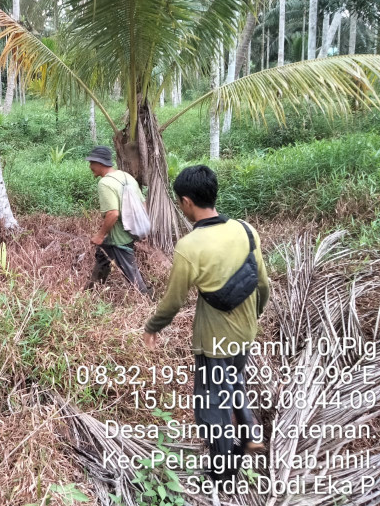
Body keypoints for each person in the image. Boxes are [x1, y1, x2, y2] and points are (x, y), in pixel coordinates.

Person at [143, 165, 270, 480]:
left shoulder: (190, 246)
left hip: (214, 340)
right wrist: (252, 317)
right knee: (234, 379)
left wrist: (153, 326)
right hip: (245, 332)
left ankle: (222, 472)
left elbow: (173, 301)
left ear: (186, 202)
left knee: (211, 406)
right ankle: (250, 431)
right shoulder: (245, 230)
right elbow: (263, 284)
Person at [85, 146, 152, 296]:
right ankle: (92, 291)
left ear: (99, 163)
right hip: (130, 232)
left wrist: (100, 235)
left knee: (131, 274)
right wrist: (143, 228)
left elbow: (113, 214)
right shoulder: (126, 176)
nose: (90, 167)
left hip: (120, 238)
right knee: (102, 252)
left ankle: (147, 298)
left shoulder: (105, 183)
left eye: (91, 163)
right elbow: (143, 204)